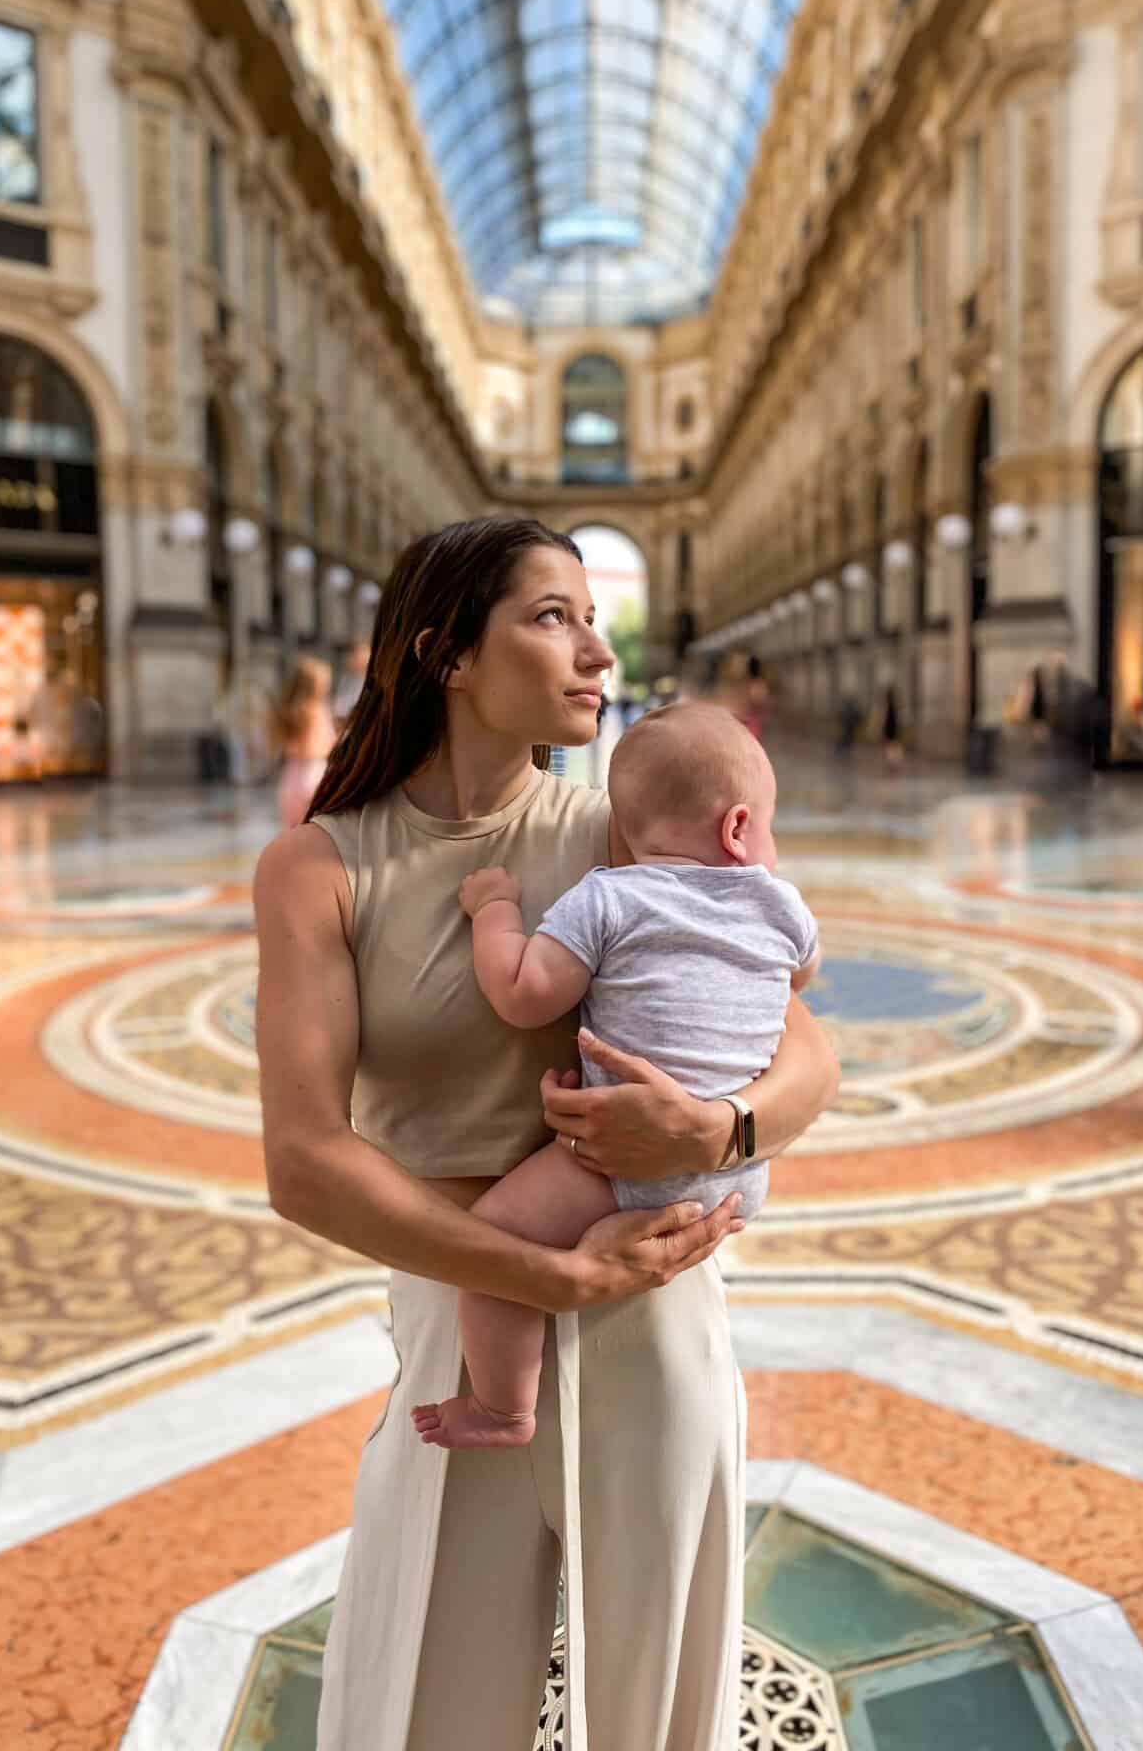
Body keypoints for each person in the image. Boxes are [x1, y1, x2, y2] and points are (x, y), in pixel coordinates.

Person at [252, 518, 838, 1751]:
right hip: (468, 1316)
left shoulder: (618, 831)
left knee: (659, 1695)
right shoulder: (318, 866)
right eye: (552, 616)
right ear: (446, 655)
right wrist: (544, 1271)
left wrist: (719, 1125)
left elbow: (806, 1049)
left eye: (592, 617)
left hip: (654, 1297)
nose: (597, 650)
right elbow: (304, 1160)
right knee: (434, 1689)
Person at [411, 701, 819, 1452]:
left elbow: (524, 996)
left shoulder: (608, 896)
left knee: (495, 1247)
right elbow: (800, 979)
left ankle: (503, 1408)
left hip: (611, 1168)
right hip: (738, 1182)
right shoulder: (782, 910)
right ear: (737, 828)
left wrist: (495, 913)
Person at [274, 655, 336, 829]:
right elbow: (313, 749)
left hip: (290, 779)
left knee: (293, 833)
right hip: (314, 777)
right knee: (315, 837)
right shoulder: (316, 710)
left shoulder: (287, 710)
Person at [331, 639, 371, 724]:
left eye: (356, 654)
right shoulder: (346, 678)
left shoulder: (369, 682)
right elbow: (339, 706)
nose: (350, 658)